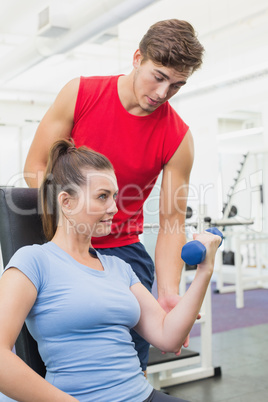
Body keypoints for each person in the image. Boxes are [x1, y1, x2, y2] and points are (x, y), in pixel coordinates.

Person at [23, 19, 205, 371]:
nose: (163, 93)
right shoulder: (81, 93)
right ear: (138, 57)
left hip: (123, 253)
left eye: (177, 85)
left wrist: (168, 290)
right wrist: (66, 226)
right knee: (49, 361)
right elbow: (37, 164)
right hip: (61, 242)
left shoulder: (178, 137)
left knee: (126, 364)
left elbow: (171, 220)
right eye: (159, 76)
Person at [0, 140, 221, 402]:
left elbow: (168, 337)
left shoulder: (119, 267)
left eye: (115, 196)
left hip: (142, 395)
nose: (114, 208)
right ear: (67, 202)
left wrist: (204, 270)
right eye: (103, 196)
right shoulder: (33, 261)